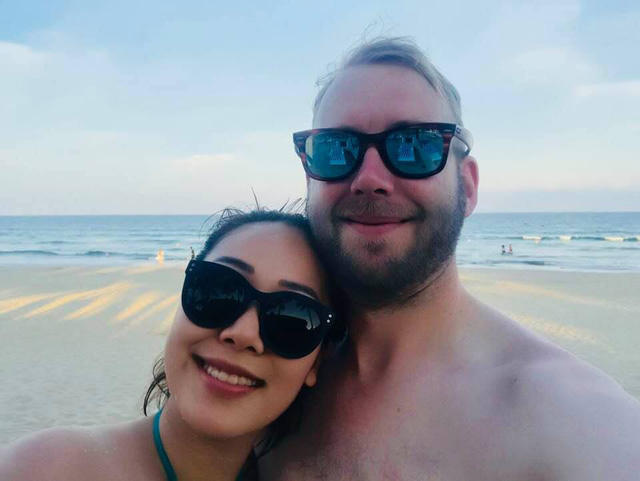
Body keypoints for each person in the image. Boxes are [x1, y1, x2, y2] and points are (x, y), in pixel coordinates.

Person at [260, 37, 640, 480]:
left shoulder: (570, 420)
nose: (369, 178)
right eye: (335, 149)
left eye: (414, 145)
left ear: (469, 187)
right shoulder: (272, 376)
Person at [1, 209, 344, 481]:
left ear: (316, 362)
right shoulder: (43, 469)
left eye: (293, 318)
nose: (242, 333)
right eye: (218, 290)